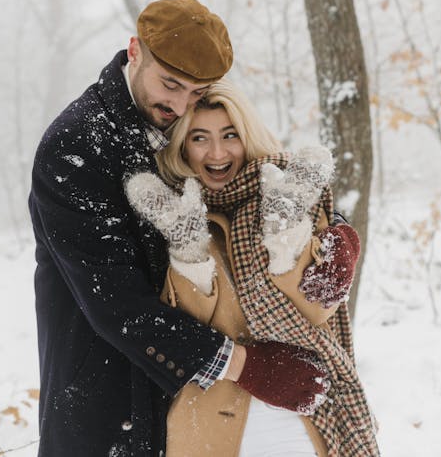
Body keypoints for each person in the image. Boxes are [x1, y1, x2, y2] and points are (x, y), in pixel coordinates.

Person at [28, 0, 329, 457]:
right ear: (134, 51)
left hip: (191, 410)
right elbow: (116, 303)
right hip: (107, 406)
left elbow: (256, 176)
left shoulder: (185, 120)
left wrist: (339, 235)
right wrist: (245, 365)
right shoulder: (77, 145)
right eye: (170, 84)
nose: (180, 103)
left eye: (196, 91)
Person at [126, 80, 380, 457]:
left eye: (230, 134)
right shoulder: (171, 209)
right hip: (211, 420)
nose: (217, 152)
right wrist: (188, 249)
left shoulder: (292, 192)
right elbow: (184, 325)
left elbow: (318, 307)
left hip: (301, 414)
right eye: (199, 137)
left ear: (248, 135)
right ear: (182, 145)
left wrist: (287, 236)